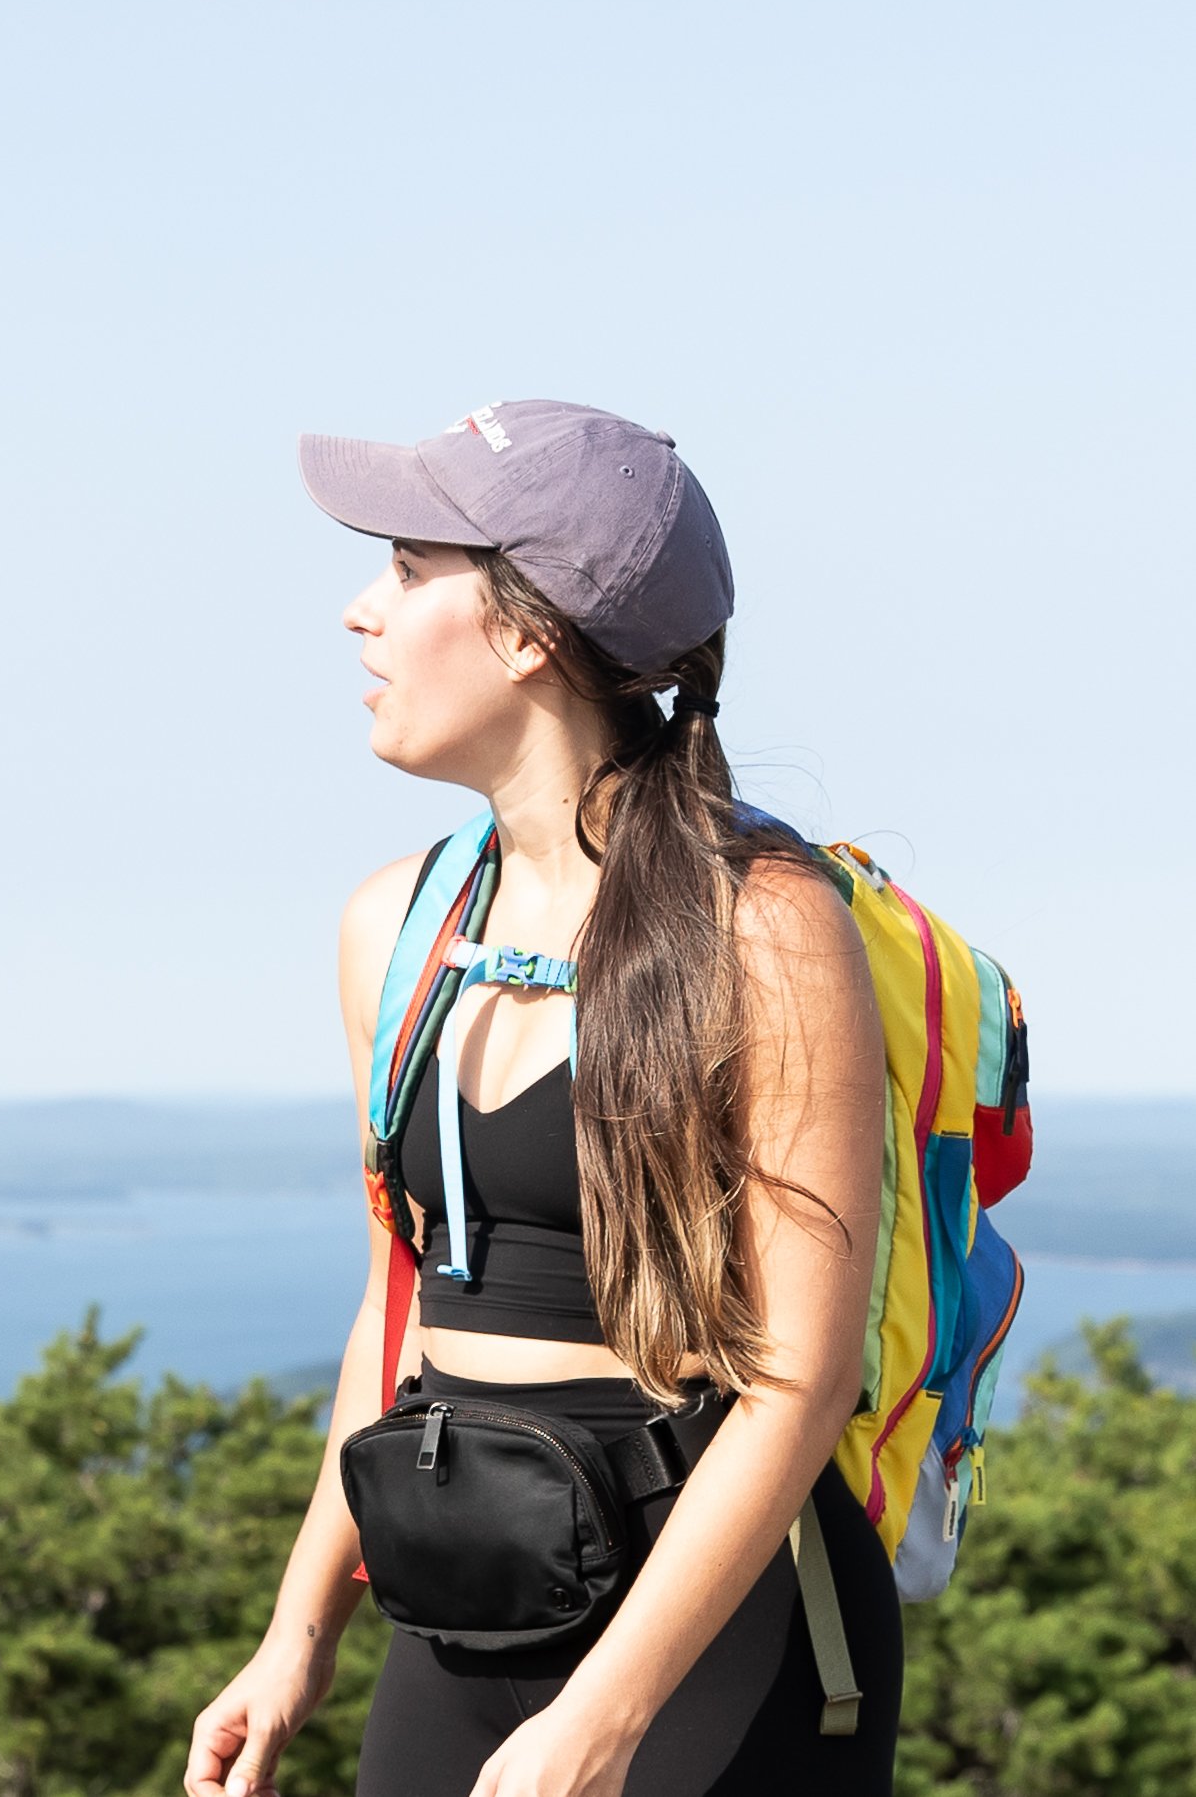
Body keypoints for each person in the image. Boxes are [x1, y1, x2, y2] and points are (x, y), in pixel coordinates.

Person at [184, 402, 899, 1797]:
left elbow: (802, 1380)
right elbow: (398, 1304)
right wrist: (296, 1633)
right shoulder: (394, 926)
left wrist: (608, 1716)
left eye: (405, 569)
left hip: (714, 1623)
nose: (359, 614)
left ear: (526, 633)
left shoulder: (763, 924)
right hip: (457, 1590)